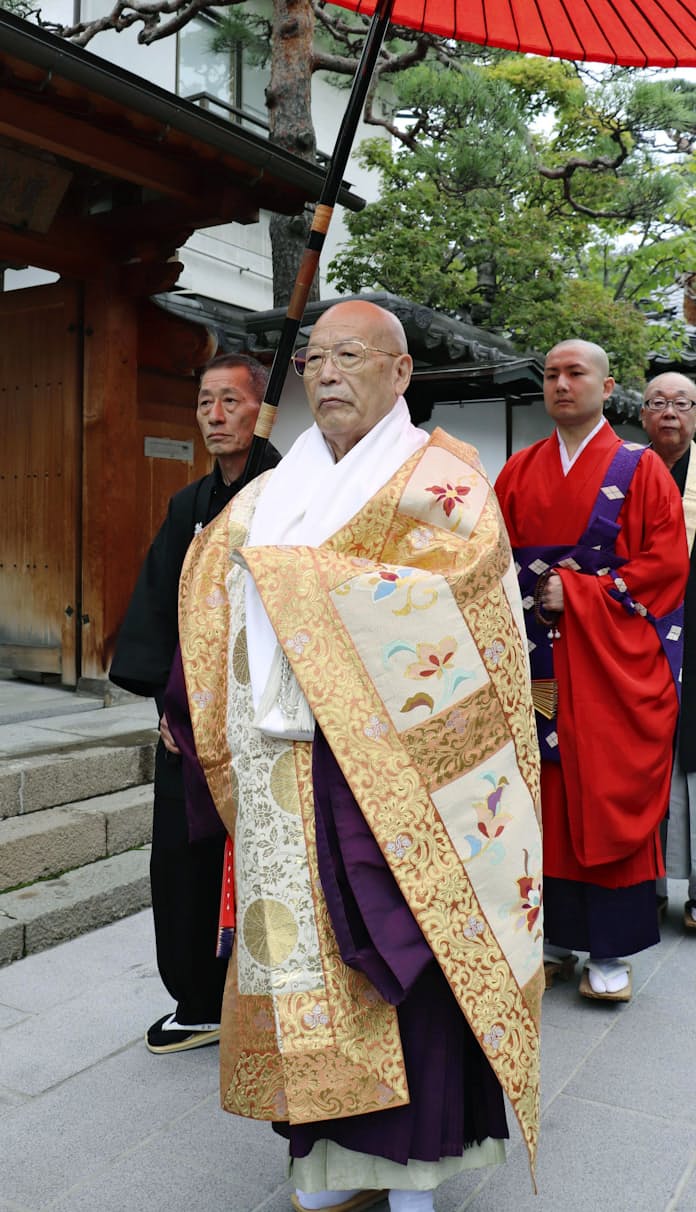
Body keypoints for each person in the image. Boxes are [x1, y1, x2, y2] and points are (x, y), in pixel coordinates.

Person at [175, 301, 543, 1212]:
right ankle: (327, 1163)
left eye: (350, 354)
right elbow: (209, 598)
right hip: (279, 769)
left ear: (401, 373)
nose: (328, 372)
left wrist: (298, 577)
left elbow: (460, 598)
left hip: (394, 774)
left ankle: (411, 1169)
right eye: (315, 357)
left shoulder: (445, 481)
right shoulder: (269, 492)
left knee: (397, 950)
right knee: (303, 965)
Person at [495, 339, 689, 1003]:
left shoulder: (642, 470)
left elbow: (664, 570)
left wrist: (576, 593)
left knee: (603, 789)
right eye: (550, 374)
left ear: (608, 390)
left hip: (609, 671)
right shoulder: (518, 471)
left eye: (575, 373)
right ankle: (547, 938)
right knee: (540, 791)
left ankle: (609, 948)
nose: (560, 384)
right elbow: (489, 562)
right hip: (537, 664)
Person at [109, 353, 281, 1054]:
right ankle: (199, 996)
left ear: (260, 410)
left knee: (273, 857)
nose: (214, 415)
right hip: (191, 720)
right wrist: (167, 710)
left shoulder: (290, 493)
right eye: (205, 402)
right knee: (184, 860)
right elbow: (158, 611)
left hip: (271, 719)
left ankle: (274, 997)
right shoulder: (189, 505)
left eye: (230, 402)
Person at [641, 371, 696, 933]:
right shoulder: (626, 472)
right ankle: (645, 886)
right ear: (641, 414)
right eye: (658, 403)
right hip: (642, 631)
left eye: (682, 403)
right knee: (644, 754)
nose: (670, 412)